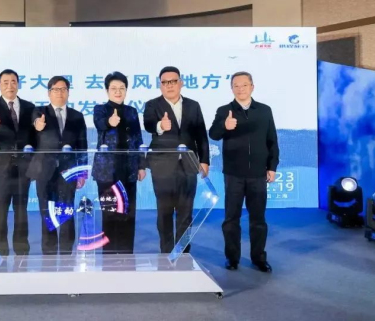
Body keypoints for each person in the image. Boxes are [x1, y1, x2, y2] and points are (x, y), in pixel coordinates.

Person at [209, 71, 278, 273]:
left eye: (244, 85)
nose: (240, 89)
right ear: (232, 88)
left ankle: (259, 258)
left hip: (258, 173)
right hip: (233, 174)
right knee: (231, 219)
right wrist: (225, 126)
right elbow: (213, 134)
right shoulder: (224, 111)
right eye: (236, 86)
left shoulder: (264, 110)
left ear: (252, 87)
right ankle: (232, 258)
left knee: (258, 220)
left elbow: (272, 141)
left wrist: (272, 166)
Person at [143, 66, 210, 254]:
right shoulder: (152, 105)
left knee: (185, 214)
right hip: (162, 167)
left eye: (173, 81)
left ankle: (183, 253)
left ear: (181, 83)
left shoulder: (193, 105)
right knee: (164, 213)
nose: (169, 85)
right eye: (165, 82)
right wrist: (160, 125)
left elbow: (201, 135)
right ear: (160, 86)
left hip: (188, 166)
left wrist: (204, 160)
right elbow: (148, 124)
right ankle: (166, 254)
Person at [27, 76, 88, 255]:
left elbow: (82, 145)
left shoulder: (77, 116)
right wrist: (37, 125)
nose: (60, 93)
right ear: (49, 93)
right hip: (44, 170)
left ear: (68, 92)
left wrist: (82, 172)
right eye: (55, 89)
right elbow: (34, 126)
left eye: (63, 89)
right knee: (47, 212)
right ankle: (49, 251)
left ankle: (67, 250)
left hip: (69, 171)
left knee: (66, 210)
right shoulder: (39, 111)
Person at [91, 72, 146, 254]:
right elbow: (99, 124)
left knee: (128, 214)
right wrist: (110, 121)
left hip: (128, 169)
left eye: (122, 88)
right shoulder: (100, 109)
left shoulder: (131, 111)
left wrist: (141, 165)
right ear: (107, 90)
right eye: (114, 88)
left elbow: (138, 139)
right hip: (107, 171)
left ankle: (126, 255)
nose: (118, 91)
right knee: (109, 214)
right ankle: (109, 256)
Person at [0, 69, 36, 256]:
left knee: (21, 209)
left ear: (18, 84)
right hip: (0, 167)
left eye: (13, 81)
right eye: (5, 82)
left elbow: (34, 133)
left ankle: (22, 249)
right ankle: (1, 251)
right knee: (0, 209)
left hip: (23, 166)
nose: (10, 85)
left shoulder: (29, 107)